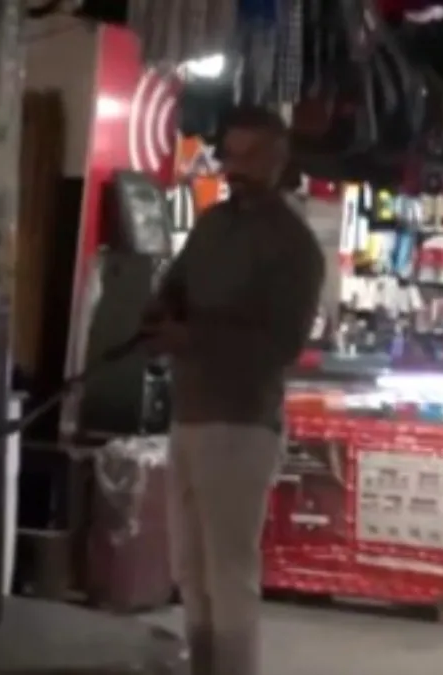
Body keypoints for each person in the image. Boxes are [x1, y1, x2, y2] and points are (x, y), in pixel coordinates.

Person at [142, 107, 324, 675]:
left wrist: (192, 337)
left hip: (242, 423)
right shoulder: (214, 224)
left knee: (228, 573)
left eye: (251, 158)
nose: (236, 168)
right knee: (190, 569)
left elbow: (281, 344)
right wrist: (158, 312)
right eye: (231, 155)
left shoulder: (293, 245)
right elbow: (176, 284)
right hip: (190, 413)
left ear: (278, 161)